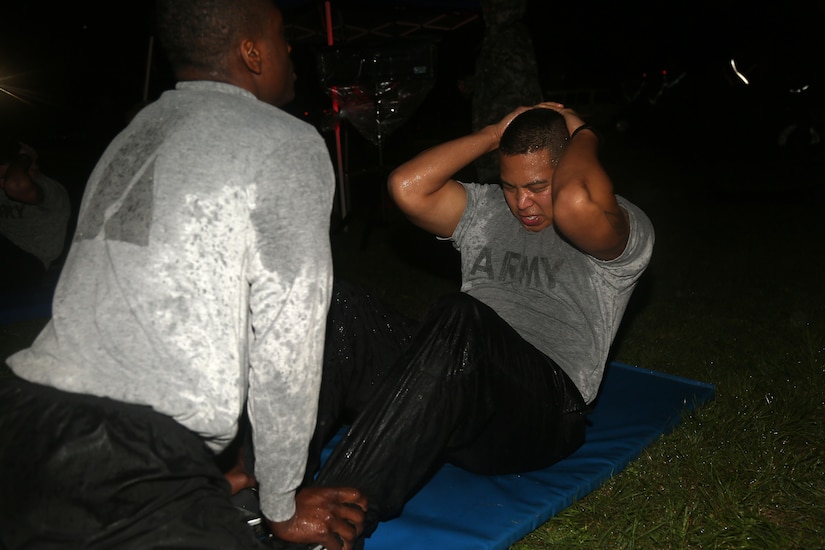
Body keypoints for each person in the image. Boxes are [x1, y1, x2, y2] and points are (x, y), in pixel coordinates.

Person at [0, 0, 365, 549]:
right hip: (130, 456)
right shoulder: (283, 142)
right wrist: (282, 500)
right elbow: (288, 337)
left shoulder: (136, 133)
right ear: (251, 52)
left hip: (22, 424)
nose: (290, 48)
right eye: (279, 34)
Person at [298, 102, 655, 545]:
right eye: (510, 186)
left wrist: (585, 131)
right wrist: (494, 133)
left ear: (567, 169)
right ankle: (280, 491)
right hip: (453, 382)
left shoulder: (619, 226)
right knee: (340, 303)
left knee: (460, 316)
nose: (521, 202)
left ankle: (336, 517)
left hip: (541, 411)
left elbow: (576, 201)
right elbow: (406, 187)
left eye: (537, 186)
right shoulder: (487, 210)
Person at [0, 140, 71, 289]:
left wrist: (25, 157)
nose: (3, 184)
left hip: (30, 262)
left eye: (5, 177)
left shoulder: (49, 190)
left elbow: (16, 185)